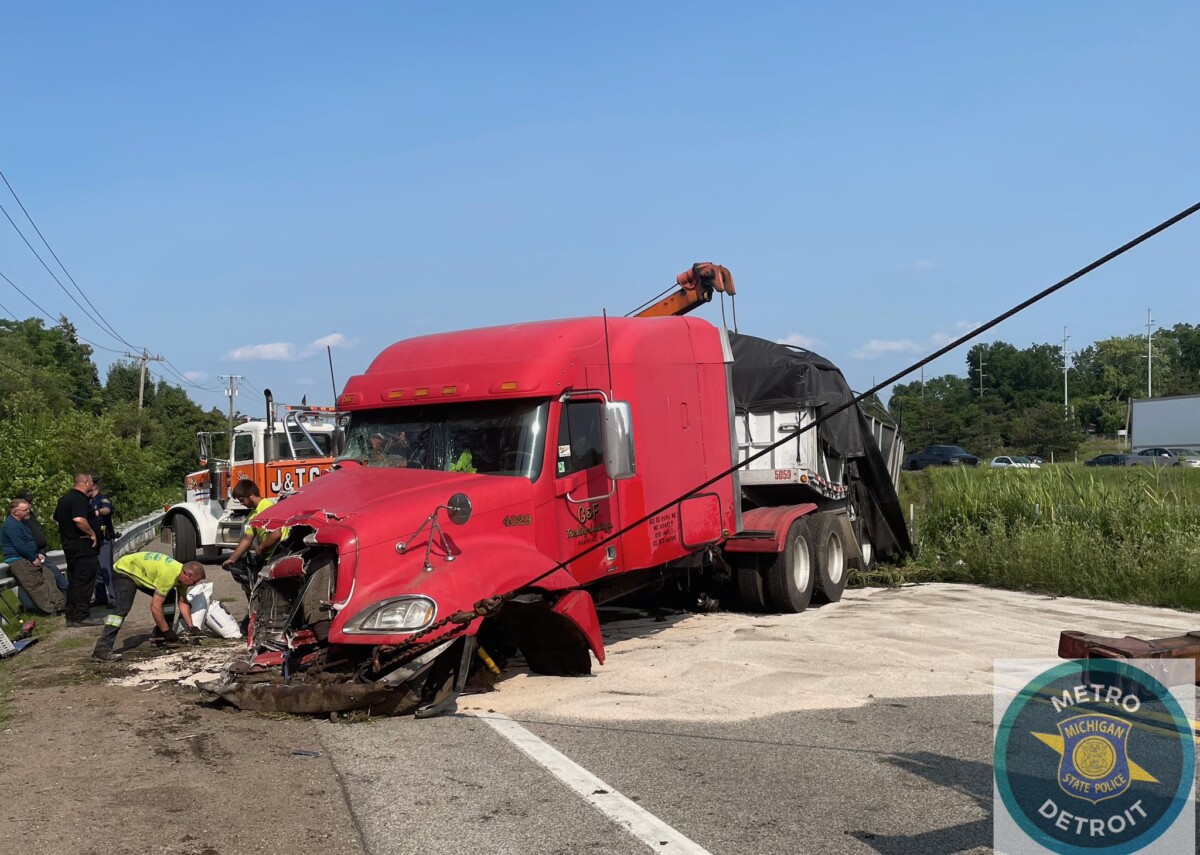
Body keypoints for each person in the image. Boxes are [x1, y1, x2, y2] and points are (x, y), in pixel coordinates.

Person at [91, 551, 205, 661]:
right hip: (125, 570)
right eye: (194, 582)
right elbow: (155, 607)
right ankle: (102, 649)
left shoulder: (181, 576)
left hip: (141, 573)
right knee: (122, 608)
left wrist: (191, 627)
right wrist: (167, 631)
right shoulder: (169, 575)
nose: (194, 585)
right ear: (187, 575)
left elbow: (183, 602)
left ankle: (160, 638)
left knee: (170, 595)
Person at [222, 480, 289, 597]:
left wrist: (261, 547)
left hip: (279, 555)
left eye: (242, 500)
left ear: (251, 496)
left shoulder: (267, 507)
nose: (242, 504)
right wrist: (232, 559)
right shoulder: (254, 514)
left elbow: (276, 534)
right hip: (269, 557)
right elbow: (247, 539)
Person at [53, 473, 104, 627]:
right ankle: (81, 616)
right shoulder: (79, 499)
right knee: (84, 580)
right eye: (90, 482)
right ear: (86, 482)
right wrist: (92, 534)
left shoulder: (65, 499)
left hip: (70, 546)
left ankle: (71, 615)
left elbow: (56, 519)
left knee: (74, 581)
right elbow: (79, 519)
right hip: (83, 547)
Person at [1, 498, 65, 614]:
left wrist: (37, 554)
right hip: (20, 560)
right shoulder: (11, 525)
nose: (28, 511)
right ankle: (50, 610)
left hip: (30, 556)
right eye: (25, 510)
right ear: (15, 511)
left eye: (28, 509)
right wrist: (32, 558)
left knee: (48, 576)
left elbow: (28, 541)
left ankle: (60, 605)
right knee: (37, 585)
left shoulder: (21, 522)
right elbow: (20, 545)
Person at [14, 490, 68, 594]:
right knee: (54, 572)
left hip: (41, 552)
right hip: (33, 554)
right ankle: (69, 596)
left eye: (31, 501)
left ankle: (67, 597)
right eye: (28, 502)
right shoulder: (18, 518)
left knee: (54, 574)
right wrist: (33, 554)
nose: (31, 504)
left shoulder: (30, 514)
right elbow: (21, 540)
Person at [88, 477, 117, 607]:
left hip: (104, 539)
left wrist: (96, 511)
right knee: (96, 570)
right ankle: (101, 597)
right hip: (91, 540)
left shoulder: (102, 499)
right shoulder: (86, 501)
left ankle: (114, 597)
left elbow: (107, 510)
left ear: (94, 486)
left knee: (106, 569)